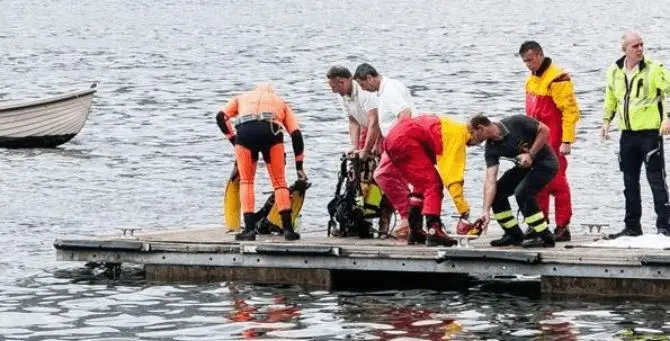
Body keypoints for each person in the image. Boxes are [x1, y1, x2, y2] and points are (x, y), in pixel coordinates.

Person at [216, 83, 306, 241]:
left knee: (247, 182)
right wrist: (299, 166)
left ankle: (249, 230)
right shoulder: (280, 102)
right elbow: (296, 134)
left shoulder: (241, 98)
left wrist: (234, 139)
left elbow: (220, 117)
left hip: (245, 132)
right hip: (271, 131)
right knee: (279, 182)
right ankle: (288, 230)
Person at [601, 31, 670, 238]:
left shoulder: (654, 69)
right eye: (635, 46)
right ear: (625, 50)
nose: (640, 49)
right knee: (629, 182)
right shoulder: (614, 71)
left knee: (656, 181)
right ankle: (632, 227)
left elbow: (668, 91)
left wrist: (667, 118)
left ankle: (665, 226)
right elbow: (611, 98)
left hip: (650, 134)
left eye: (642, 45)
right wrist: (606, 122)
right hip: (627, 135)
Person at [383, 114, 478, 246]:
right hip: (406, 140)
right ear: (476, 131)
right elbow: (453, 179)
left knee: (420, 185)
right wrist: (463, 209)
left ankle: (415, 231)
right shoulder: (457, 136)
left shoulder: (449, 126)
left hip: (392, 140)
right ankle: (434, 231)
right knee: (433, 185)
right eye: (481, 140)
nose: (475, 145)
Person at [519, 41, 580, 242]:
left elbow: (570, 111)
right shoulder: (532, 79)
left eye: (530, 60)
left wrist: (567, 140)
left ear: (539, 55)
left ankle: (562, 226)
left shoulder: (557, 78)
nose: (528, 64)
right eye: (525, 61)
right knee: (538, 183)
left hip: (554, 140)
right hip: (537, 140)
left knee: (557, 182)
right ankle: (539, 223)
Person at [326, 66, 395, 237]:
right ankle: (360, 220)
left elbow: (375, 121)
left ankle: (384, 222)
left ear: (342, 81)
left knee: (383, 177)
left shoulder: (364, 93)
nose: (333, 91)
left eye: (334, 87)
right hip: (367, 129)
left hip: (385, 131)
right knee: (358, 177)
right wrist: (356, 149)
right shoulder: (344, 96)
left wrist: (369, 149)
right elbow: (353, 122)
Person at [471, 114, 557, 248]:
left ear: (481, 128)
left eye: (472, 133)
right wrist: (486, 210)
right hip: (524, 168)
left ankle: (544, 236)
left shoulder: (516, 122)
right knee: (497, 194)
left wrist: (531, 154)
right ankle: (513, 235)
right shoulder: (491, 148)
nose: (471, 138)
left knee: (522, 192)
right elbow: (490, 179)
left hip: (545, 164)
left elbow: (545, 130)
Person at [353, 63, 417, 236]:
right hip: (398, 140)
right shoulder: (385, 90)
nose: (363, 89)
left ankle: (407, 217)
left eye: (362, 85)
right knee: (399, 179)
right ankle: (410, 219)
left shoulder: (389, 90)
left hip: (400, 141)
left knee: (382, 175)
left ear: (369, 78)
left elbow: (404, 114)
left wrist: (396, 141)